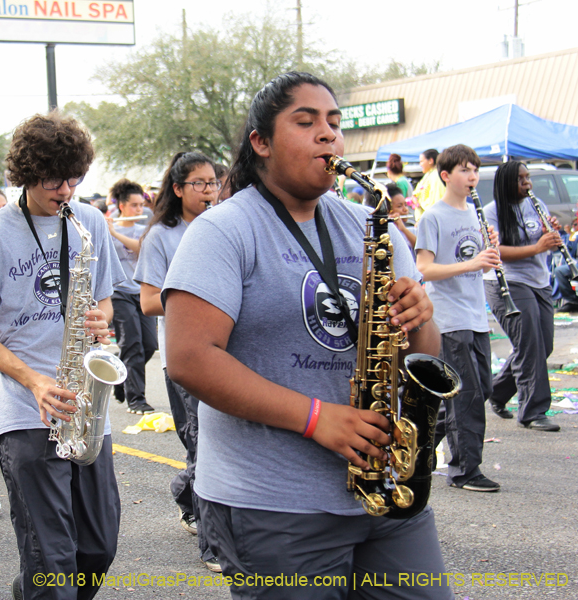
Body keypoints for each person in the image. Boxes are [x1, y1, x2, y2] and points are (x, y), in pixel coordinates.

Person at [162, 72, 452, 599]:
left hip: (389, 489)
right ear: (261, 142)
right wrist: (317, 418)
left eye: (335, 124)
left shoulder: (373, 226)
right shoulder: (223, 231)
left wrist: (419, 318)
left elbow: (422, 358)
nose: (329, 136)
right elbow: (188, 358)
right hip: (275, 503)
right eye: (307, 121)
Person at [0, 112, 123, 600]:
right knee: (50, 555)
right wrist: (33, 381)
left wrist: (99, 318)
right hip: (24, 407)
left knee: (98, 546)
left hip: (84, 401)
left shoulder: (89, 221)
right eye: (55, 178)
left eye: (74, 178)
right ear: (27, 172)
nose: (66, 189)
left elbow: (106, 300)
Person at [134, 151, 222, 573]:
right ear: (178, 189)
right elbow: (149, 301)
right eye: (199, 184)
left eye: (213, 183)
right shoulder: (161, 236)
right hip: (186, 359)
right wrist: (197, 300)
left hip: (229, 357)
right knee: (203, 445)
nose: (209, 191)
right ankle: (214, 546)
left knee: (217, 445)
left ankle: (186, 491)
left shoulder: (224, 227)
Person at [415, 144, 501, 492]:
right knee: (465, 397)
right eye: (465, 170)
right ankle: (465, 470)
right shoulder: (433, 217)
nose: (472, 177)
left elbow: (482, 263)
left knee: (482, 389)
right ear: (446, 175)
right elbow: (424, 268)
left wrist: (491, 252)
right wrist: (473, 262)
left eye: (475, 170)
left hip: (476, 314)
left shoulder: (477, 216)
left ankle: (418, 443)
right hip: (450, 319)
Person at [483, 161, 561, 432]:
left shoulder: (535, 203)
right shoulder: (491, 213)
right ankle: (533, 411)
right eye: (521, 179)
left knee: (544, 345)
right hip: (507, 282)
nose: (527, 183)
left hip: (538, 281)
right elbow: (497, 251)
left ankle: (497, 391)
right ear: (507, 183)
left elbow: (543, 243)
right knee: (530, 345)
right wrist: (538, 245)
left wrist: (550, 235)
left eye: (528, 178)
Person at [106, 178, 157, 415]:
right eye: (134, 205)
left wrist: (115, 233)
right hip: (119, 293)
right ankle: (136, 400)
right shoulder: (106, 229)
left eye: (141, 205)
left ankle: (120, 374)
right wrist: (109, 231)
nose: (140, 210)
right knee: (133, 344)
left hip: (141, 293)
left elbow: (141, 248)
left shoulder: (142, 229)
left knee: (149, 344)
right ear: (121, 206)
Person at [413, 149, 445, 219]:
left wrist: (420, 204)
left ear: (430, 161)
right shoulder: (428, 175)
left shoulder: (436, 176)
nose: (420, 164)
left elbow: (436, 199)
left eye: (421, 161)